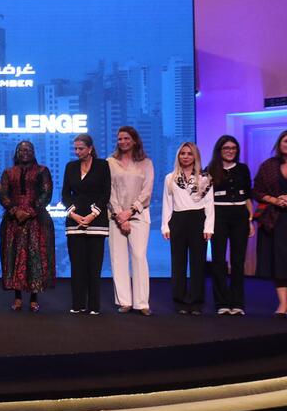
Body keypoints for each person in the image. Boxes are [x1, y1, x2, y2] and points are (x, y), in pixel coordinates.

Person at [0, 140, 55, 312]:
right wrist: (15, 211)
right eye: (21, 150)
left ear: (33, 152)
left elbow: (46, 193)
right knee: (13, 257)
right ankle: (17, 297)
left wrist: (30, 211)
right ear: (16, 153)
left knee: (34, 258)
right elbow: (3, 195)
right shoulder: (8, 172)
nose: (25, 152)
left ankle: (33, 298)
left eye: (28, 149)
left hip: (37, 221)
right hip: (13, 221)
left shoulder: (42, 171)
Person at [161, 142, 214, 316]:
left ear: (195, 156)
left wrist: (209, 227)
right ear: (178, 156)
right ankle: (180, 301)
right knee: (178, 263)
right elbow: (167, 203)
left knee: (198, 263)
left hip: (198, 220)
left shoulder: (205, 178)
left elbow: (209, 204)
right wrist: (165, 225)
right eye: (182, 153)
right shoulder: (171, 178)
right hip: (178, 220)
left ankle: (197, 302)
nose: (185, 156)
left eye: (189, 153)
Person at [61, 134, 111, 315]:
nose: (77, 151)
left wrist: (92, 215)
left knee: (94, 266)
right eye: (75, 148)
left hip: (96, 221)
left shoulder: (102, 165)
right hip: (74, 223)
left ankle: (94, 306)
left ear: (90, 148)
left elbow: (106, 193)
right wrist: (73, 214)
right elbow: (65, 194)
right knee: (77, 266)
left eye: (80, 148)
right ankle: (78, 304)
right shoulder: (70, 166)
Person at [107, 126, 155, 315]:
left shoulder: (146, 163)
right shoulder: (110, 162)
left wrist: (130, 211)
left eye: (126, 138)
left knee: (139, 256)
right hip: (116, 217)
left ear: (134, 140)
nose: (123, 142)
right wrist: (120, 215)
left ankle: (142, 303)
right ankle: (124, 301)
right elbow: (109, 191)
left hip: (139, 216)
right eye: (120, 139)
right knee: (118, 259)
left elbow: (147, 192)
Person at [207, 135, 254, 316]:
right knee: (218, 260)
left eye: (233, 148)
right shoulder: (210, 170)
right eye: (226, 148)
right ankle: (222, 302)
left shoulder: (243, 169)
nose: (230, 151)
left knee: (238, 261)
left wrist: (250, 220)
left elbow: (247, 197)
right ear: (219, 150)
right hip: (218, 215)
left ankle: (237, 302)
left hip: (240, 215)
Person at [253, 129, 287, 318]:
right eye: (285, 141)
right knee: (280, 262)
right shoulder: (269, 166)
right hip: (277, 219)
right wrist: (275, 200)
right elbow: (257, 191)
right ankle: (283, 304)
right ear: (279, 143)